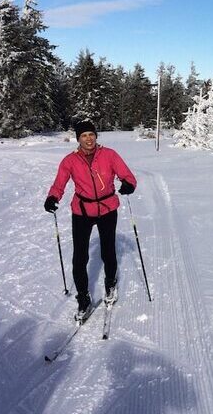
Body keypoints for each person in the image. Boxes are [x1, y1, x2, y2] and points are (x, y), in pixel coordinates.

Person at [44, 120, 137, 322]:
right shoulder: (70, 161)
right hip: (82, 210)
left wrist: (129, 184)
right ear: (78, 139)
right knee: (79, 258)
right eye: (84, 135)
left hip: (107, 208)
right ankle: (83, 299)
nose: (88, 138)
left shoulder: (109, 155)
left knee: (108, 251)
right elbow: (59, 183)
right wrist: (53, 197)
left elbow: (126, 174)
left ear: (96, 136)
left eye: (91, 134)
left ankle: (110, 284)